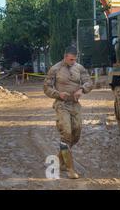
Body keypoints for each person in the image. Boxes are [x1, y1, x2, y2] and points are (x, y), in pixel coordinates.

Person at [43, 46, 93, 179]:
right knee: (66, 133)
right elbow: (46, 87)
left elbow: (89, 82)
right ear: (65, 57)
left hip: (75, 104)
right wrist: (58, 94)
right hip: (61, 104)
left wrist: (82, 89)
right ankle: (70, 169)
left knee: (76, 133)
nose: (73, 62)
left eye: (74, 59)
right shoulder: (55, 68)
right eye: (71, 59)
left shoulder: (79, 68)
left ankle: (60, 160)